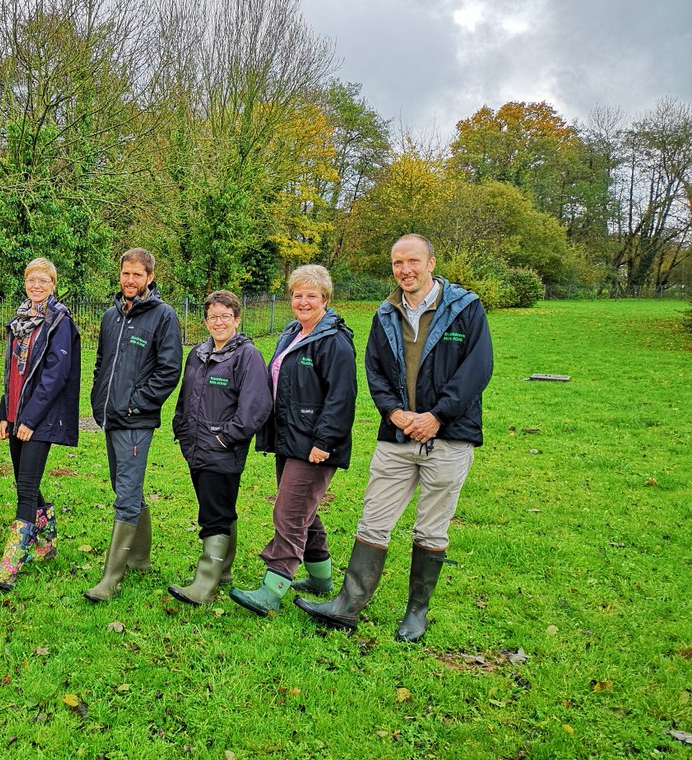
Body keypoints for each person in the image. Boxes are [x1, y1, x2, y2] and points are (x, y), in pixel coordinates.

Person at [295, 234, 493, 642]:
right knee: (374, 519)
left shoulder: (465, 309)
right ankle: (347, 606)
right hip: (397, 436)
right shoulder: (385, 313)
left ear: (431, 263)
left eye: (413, 261)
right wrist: (394, 411)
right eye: (398, 263)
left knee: (431, 528)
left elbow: (477, 369)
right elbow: (375, 372)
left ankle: (416, 612)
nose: (406, 269)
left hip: (449, 436)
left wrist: (438, 416)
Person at [230, 265, 357, 616]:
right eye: (297, 295)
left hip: (315, 444)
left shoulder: (334, 341)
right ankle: (320, 577)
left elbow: (341, 397)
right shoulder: (293, 332)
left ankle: (273, 587)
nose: (303, 301)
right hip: (289, 438)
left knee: (289, 513)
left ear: (325, 299)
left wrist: (324, 441)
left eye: (311, 295)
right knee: (304, 510)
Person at [0, 258, 81, 592]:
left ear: (53, 283)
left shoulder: (59, 322)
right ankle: (46, 545)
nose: (36, 285)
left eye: (43, 280)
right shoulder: (20, 321)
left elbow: (54, 376)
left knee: (26, 488)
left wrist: (30, 419)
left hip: (40, 418)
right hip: (18, 413)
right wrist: (6, 413)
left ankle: (8, 566)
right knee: (24, 479)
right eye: (31, 280)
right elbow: (12, 373)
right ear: (25, 283)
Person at [84, 248, 183, 603]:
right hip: (110, 418)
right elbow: (101, 363)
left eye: (137, 275)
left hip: (136, 421)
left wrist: (135, 403)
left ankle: (111, 577)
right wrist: (100, 401)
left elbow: (169, 370)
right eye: (126, 273)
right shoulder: (111, 316)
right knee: (124, 485)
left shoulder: (163, 316)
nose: (130, 280)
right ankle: (140, 558)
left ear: (149, 278)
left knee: (125, 495)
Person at [169, 290, 272, 606]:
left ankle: (205, 585)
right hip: (197, 447)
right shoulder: (197, 354)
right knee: (219, 508)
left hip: (222, 449)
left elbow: (257, 405)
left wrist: (225, 437)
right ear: (205, 320)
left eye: (226, 316)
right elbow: (185, 398)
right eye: (213, 316)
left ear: (237, 320)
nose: (219, 322)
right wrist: (182, 430)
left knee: (214, 514)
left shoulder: (246, 356)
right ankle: (221, 572)